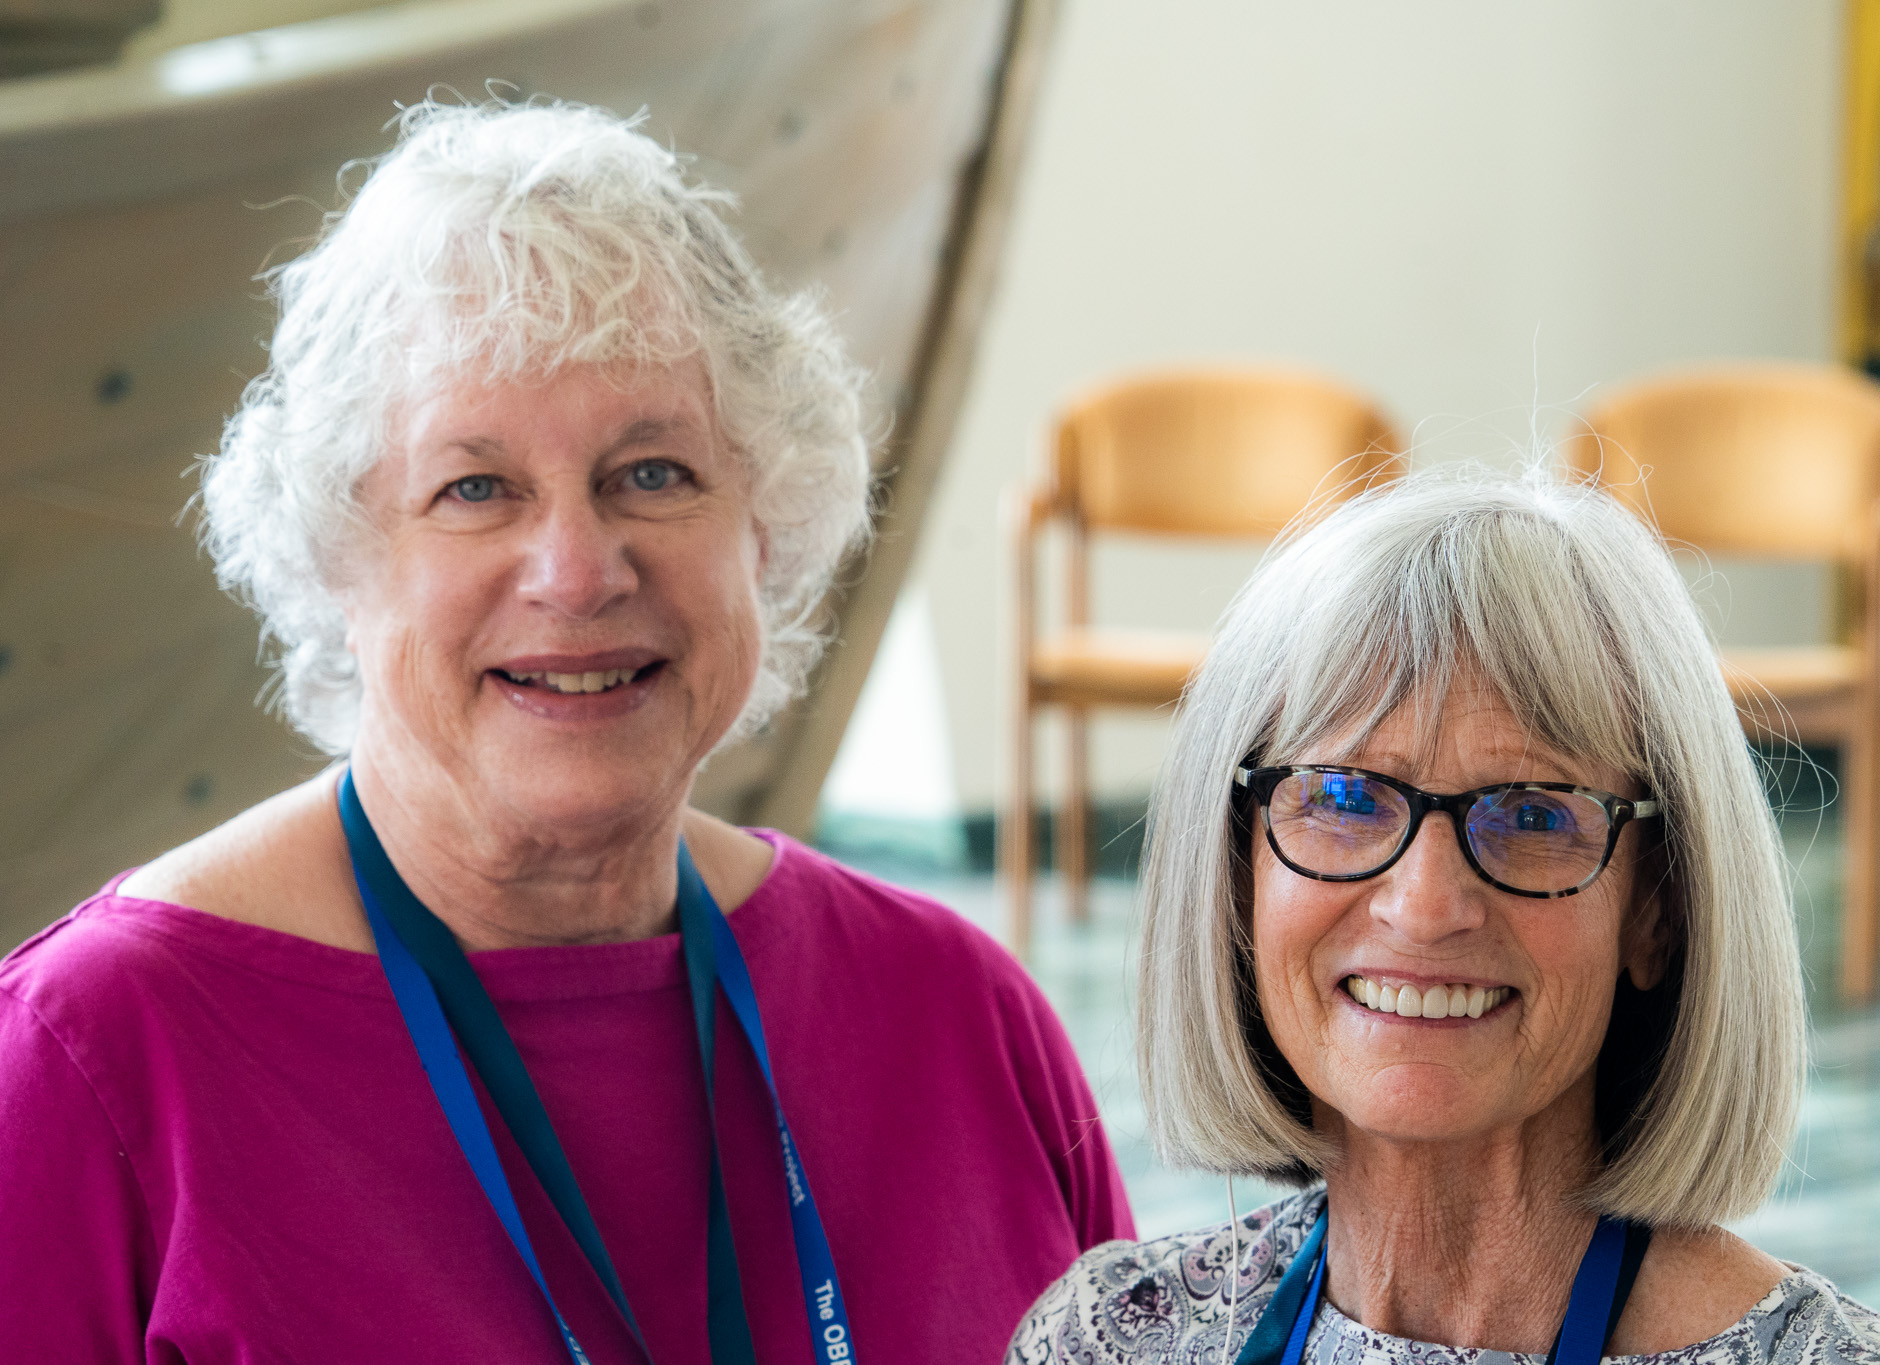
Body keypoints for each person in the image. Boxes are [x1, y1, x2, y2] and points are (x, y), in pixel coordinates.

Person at [0, 98, 1132, 1362]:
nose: (579, 571)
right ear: (336, 560)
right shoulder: (94, 1065)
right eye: (475, 488)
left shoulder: (957, 1019)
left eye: (652, 473)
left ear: (764, 529)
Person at [1008, 469, 1880, 1364]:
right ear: (1235, 877)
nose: (1425, 906)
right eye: (1343, 795)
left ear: (1656, 911)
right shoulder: (1108, 1340)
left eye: (1534, 814)